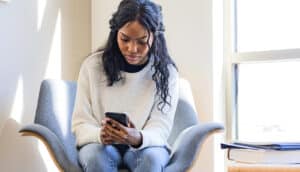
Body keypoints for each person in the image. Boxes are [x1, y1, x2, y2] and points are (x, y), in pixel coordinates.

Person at [71, 0, 179, 171]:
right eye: (125, 39)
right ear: (116, 33)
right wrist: (100, 134)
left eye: (142, 41)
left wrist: (139, 138)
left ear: (155, 37)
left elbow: (161, 127)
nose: (132, 49)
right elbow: (80, 124)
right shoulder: (92, 66)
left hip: (145, 147)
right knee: (94, 158)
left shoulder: (166, 73)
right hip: (100, 146)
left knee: (151, 159)